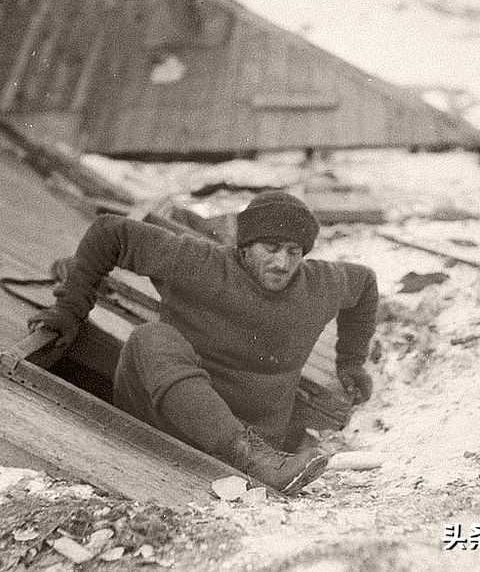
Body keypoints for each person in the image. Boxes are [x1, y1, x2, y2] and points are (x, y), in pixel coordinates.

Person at [30, 191, 378, 494]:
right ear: (244, 248)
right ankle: (249, 455)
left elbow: (365, 285)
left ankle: (255, 457)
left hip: (262, 446)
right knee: (151, 338)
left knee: (154, 339)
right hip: (163, 417)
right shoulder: (203, 263)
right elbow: (110, 233)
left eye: (293, 251)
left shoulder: (319, 284)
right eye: (270, 248)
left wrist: (351, 362)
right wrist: (70, 311)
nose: (282, 262)